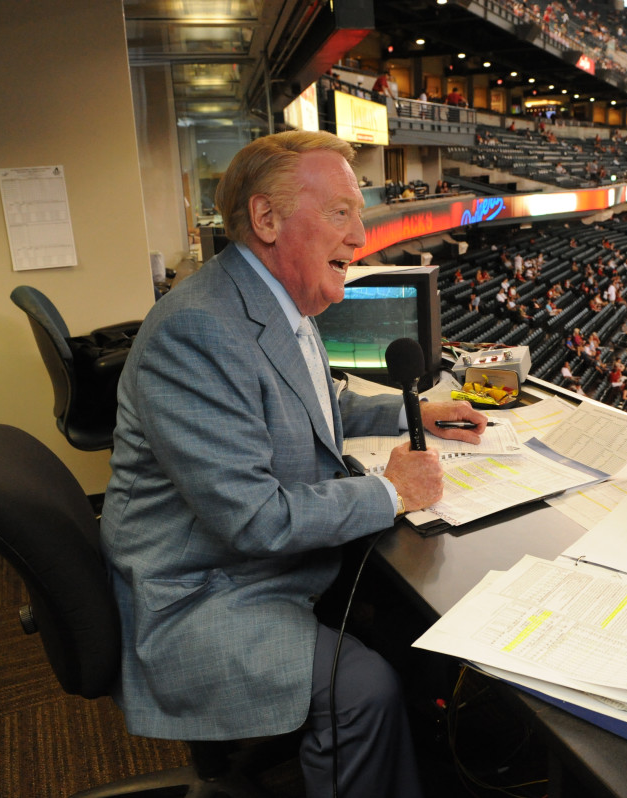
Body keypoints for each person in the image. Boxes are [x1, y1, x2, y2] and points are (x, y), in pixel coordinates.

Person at [101, 131, 487, 798]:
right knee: (363, 689)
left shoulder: (280, 301)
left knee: (408, 625)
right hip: (203, 592)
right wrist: (391, 492)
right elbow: (252, 520)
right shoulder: (196, 332)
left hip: (252, 566)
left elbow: (319, 405)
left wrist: (415, 414)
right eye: (340, 213)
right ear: (267, 218)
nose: (360, 235)